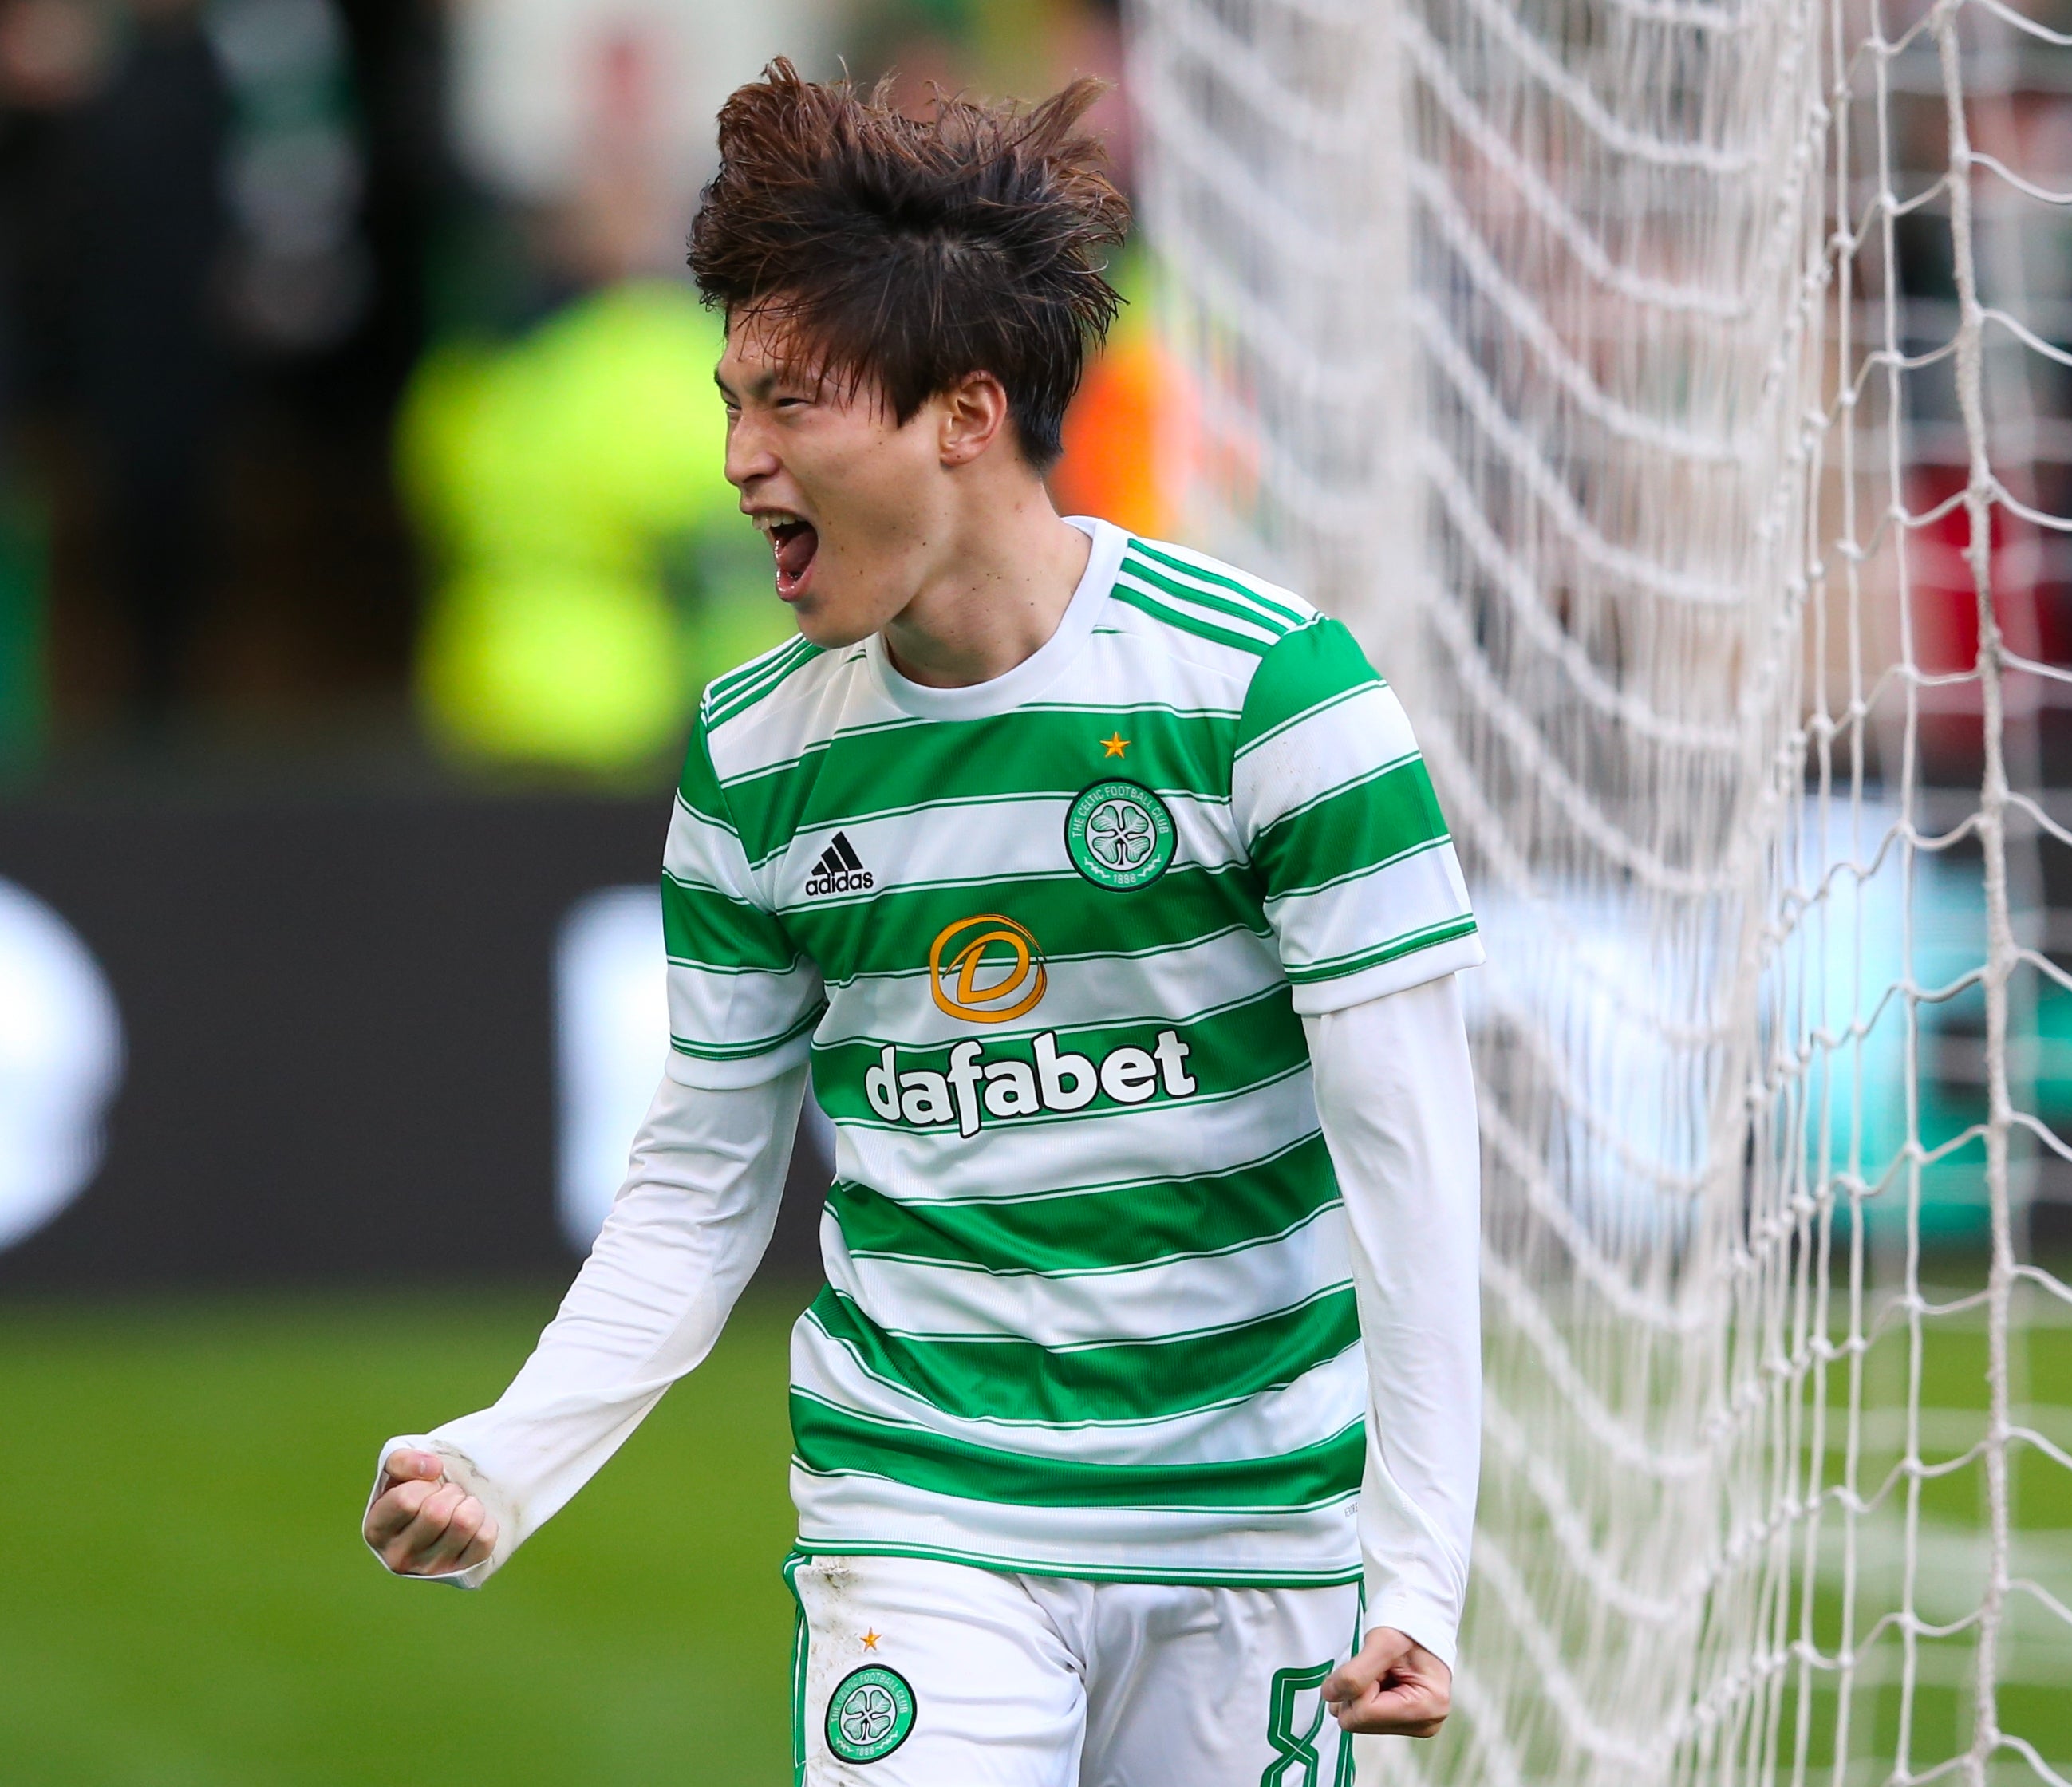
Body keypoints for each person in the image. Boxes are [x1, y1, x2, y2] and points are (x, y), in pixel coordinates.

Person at [362, 65, 1483, 1786]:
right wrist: (505, 1457)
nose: (739, 460)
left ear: (964, 413)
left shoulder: (1273, 696)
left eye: (792, 404)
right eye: (731, 400)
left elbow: (1412, 1157)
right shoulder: (757, 758)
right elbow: (698, 1183)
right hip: (928, 1516)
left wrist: (1418, 1566)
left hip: (1260, 1533)